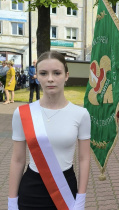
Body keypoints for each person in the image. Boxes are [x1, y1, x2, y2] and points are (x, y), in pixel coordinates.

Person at [8, 51, 91, 209]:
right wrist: (12, 201)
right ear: (37, 76)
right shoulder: (22, 114)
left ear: (66, 75)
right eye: (43, 73)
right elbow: (17, 160)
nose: (50, 79)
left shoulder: (81, 114)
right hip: (31, 191)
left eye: (57, 73)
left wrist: (81, 197)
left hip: (65, 188)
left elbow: (84, 159)